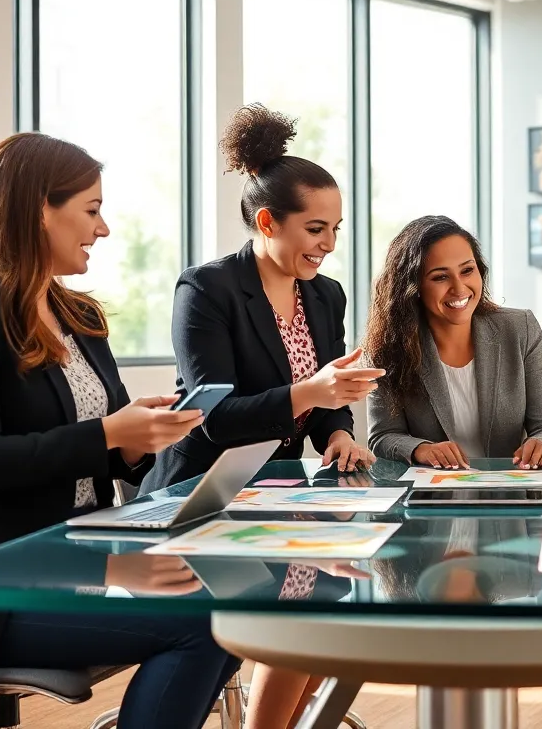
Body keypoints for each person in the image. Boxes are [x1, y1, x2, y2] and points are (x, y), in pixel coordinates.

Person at [0, 132, 239, 729]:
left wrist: (146, 437)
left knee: (233, 607)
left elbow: (110, 455)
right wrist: (111, 434)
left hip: (70, 559)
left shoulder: (77, 315)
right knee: (204, 626)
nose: (104, 228)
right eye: (91, 210)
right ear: (40, 207)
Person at [145, 103, 379, 729]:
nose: (329, 245)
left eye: (336, 229)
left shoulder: (325, 294)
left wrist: (340, 435)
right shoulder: (207, 290)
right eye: (315, 229)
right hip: (201, 497)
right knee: (305, 609)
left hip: (276, 494)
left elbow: (328, 400)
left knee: (330, 599)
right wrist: (313, 394)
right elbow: (214, 417)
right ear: (269, 221)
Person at [364, 215, 542, 469]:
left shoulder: (520, 329)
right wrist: (421, 449)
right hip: (429, 498)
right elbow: (383, 436)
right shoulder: (387, 347)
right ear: (413, 286)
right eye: (440, 277)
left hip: (508, 492)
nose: (459, 289)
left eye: (467, 270)